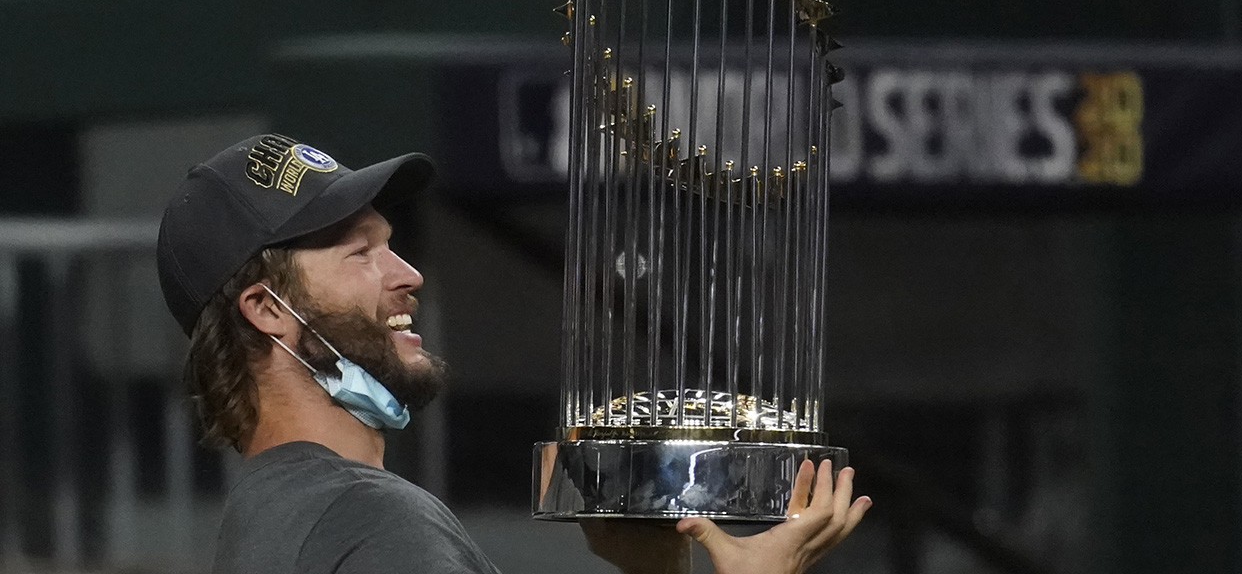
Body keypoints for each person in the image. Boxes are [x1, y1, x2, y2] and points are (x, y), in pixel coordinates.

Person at [156, 133, 872, 574]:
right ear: (265, 311)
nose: (407, 273)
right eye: (359, 254)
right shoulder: (369, 522)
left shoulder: (274, 510)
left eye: (391, 243)